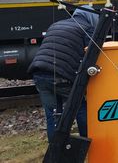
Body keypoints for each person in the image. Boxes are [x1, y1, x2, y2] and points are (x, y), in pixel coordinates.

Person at [28, 8, 99, 141]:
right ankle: (87, 143)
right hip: (62, 75)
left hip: (39, 73)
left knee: (53, 114)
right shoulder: (87, 28)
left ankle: (55, 152)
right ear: (91, 18)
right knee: (81, 106)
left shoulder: (57, 24)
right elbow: (92, 55)